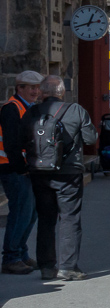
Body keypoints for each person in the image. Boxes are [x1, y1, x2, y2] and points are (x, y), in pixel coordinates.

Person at [21, 75, 97, 281]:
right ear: (63, 92)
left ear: (42, 92)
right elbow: (91, 138)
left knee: (46, 219)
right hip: (69, 172)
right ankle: (68, 266)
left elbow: (20, 139)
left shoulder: (32, 112)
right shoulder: (76, 110)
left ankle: (47, 266)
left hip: (39, 172)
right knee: (69, 218)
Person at [0, 70, 43, 274]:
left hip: (23, 168)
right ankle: (11, 257)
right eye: (31, 88)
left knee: (30, 212)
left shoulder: (28, 107)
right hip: (13, 168)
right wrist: (21, 167)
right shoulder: (12, 109)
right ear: (20, 89)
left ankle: (21, 254)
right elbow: (11, 143)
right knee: (21, 212)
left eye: (37, 88)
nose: (35, 91)